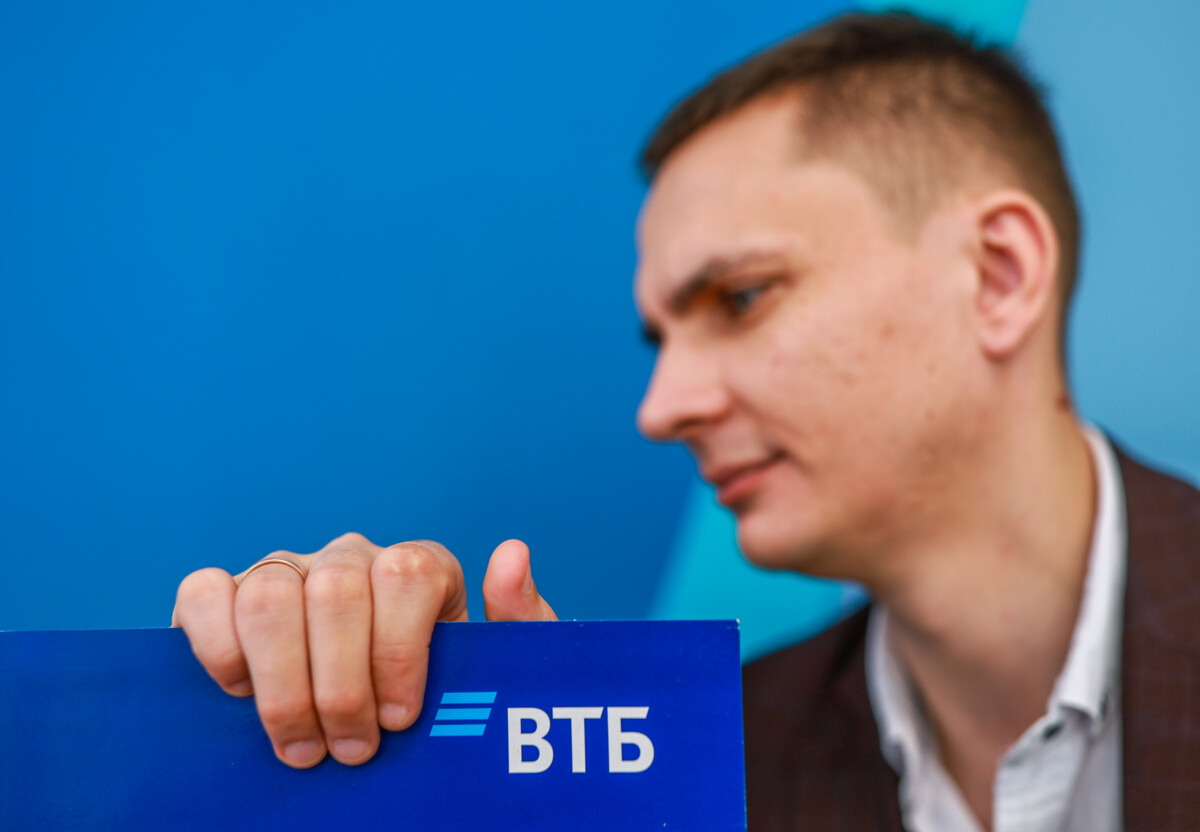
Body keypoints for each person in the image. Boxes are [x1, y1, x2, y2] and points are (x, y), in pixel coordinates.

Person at [172, 11, 1200, 831]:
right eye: (659, 338)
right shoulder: (705, 764)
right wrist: (450, 753)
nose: (661, 410)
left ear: (999, 275)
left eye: (741, 297)